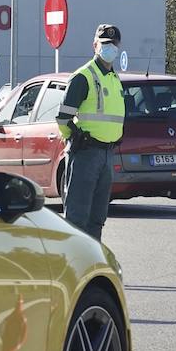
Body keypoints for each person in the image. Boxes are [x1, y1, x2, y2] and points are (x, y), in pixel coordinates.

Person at [56, 24, 126, 241]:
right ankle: (73, 266)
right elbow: (63, 118)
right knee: (78, 217)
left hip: (106, 153)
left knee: (97, 217)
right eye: (105, 44)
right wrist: (74, 137)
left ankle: (92, 263)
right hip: (86, 152)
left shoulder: (114, 78)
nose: (109, 48)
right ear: (95, 45)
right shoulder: (83, 77)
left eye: (113, 44)